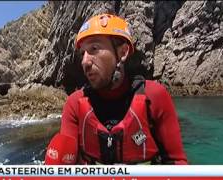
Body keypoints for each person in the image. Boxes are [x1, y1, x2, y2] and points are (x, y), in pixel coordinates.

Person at [46, 13, 187, 165]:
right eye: (82, 53)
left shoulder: (154, 97)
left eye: (94, 48)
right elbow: (64, 168)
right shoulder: (74, 104)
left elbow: (177, 162)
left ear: (123, 52)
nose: (85, 62)